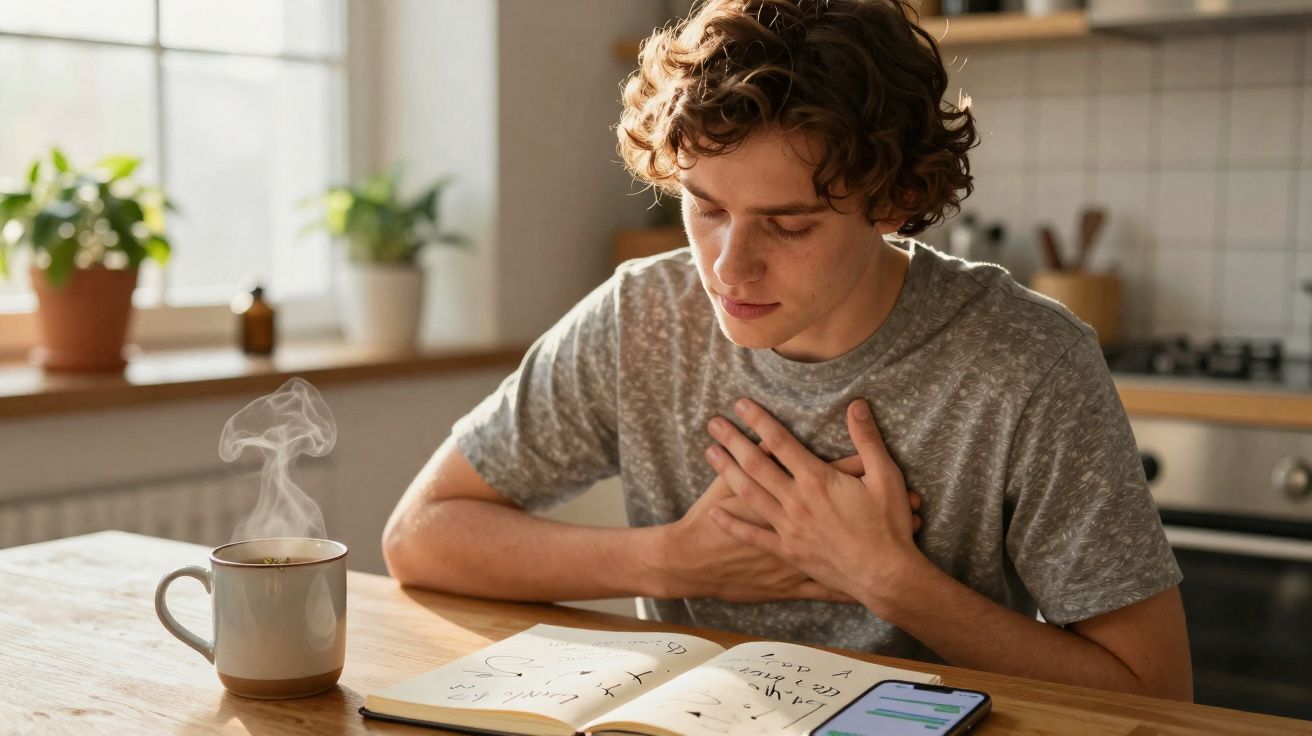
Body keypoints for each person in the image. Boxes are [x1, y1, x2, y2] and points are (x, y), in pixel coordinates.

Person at [383, 0, 1192, 700]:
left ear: (897, 201)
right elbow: (420, 536)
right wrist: (673, 561)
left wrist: (886, 578)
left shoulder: (1026, 361)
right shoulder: (642, 317)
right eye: (704, 209)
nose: (729, 267)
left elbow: (1155, 694)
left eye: (790, 223)